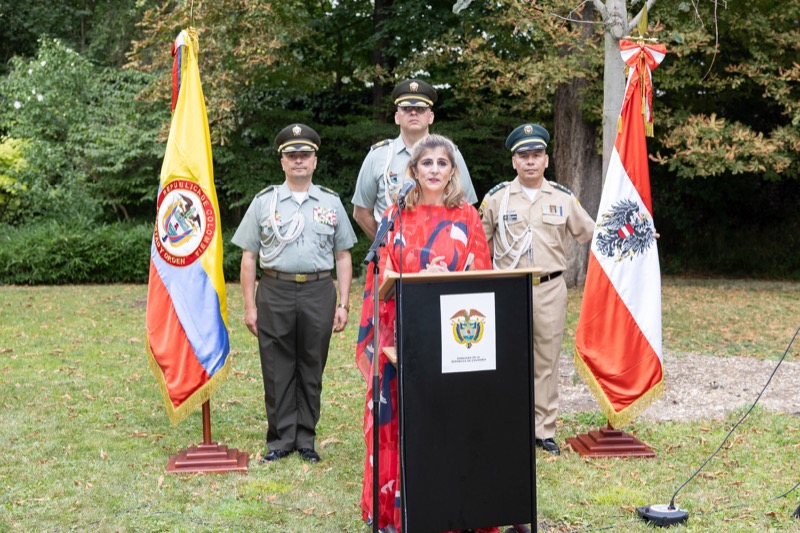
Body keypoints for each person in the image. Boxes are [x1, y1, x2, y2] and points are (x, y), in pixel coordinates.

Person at [354, 134, 496, 533]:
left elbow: (482, 273)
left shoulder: (467, 215)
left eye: (442, 163)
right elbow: (380, 274)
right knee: (404, 423)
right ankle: (395, 511)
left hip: (457, 341)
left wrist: (448, 278)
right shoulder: (395, 216)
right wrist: (418, 280)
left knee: (451, 423)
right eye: (426, 163)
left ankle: (455, 506)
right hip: (406, 339)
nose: (434, 169)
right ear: (413, 170)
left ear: (452, 171)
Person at [232, 123, 357, 464]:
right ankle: (280, 438)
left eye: (305, 155)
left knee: (311, 365)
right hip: (274, 290)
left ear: (315, 161)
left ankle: (306, 438)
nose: (299, 161)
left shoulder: (330, 202)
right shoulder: (264, 202)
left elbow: (344, 255)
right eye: (292, 155)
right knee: (276, 366)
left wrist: (344, 303)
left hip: (319, 290)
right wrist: (248, 305)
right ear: (282, 162)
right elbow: (248, 256)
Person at [479, 124, 595, 456]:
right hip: (507, 290)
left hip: (549, 288)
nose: (530, 162)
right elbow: (479, 244)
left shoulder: (562, 197)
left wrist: (632, 234)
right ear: (514, 161)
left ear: (546, 160)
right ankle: (509, 424)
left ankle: (543, 430)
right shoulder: (497, 199)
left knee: (546, 360)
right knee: (506, 359)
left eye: (537, 155)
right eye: (524, 156)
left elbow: (592, 234)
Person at [351, 78, 478, 241]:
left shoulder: (450, 154)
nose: (413, 112)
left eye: (420, 108)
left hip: (442, 257)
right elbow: (361, 212)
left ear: (430, 116)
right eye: (406, 108)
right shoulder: (378, 156)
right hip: (394, 262)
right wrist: (386, 247)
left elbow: (467, 209)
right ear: (397, 117)